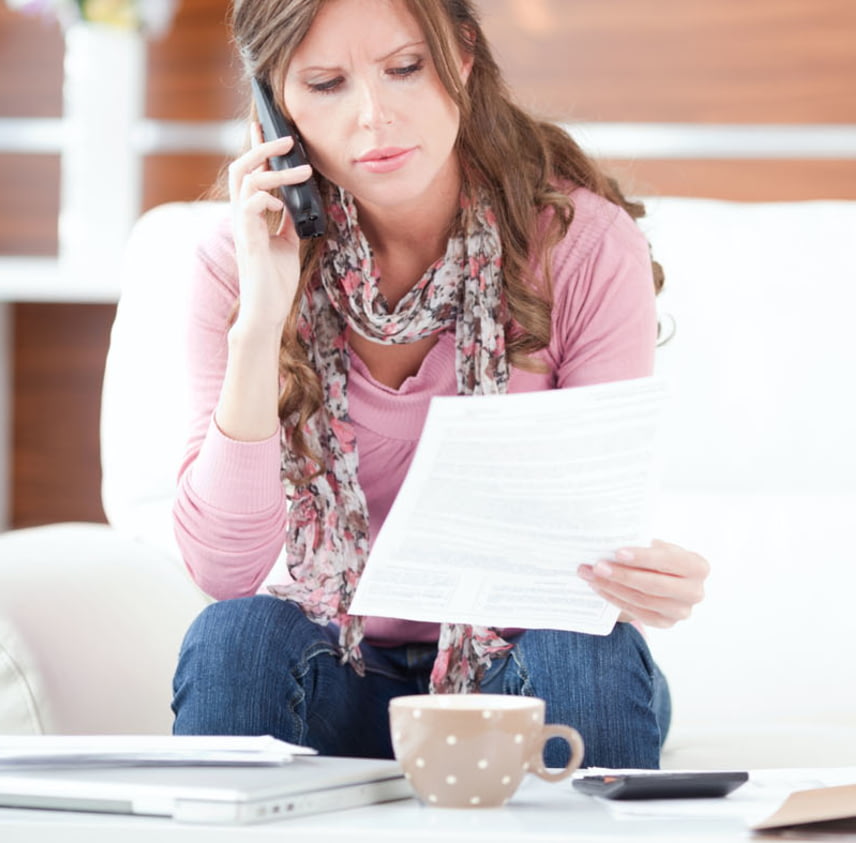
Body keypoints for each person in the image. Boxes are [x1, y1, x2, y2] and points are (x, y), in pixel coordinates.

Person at [169, 0, 709, 769]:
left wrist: (639, 579)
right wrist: (260, 320)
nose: (373, 116)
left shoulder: (585, 248)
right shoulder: (236, 261)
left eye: (404, 68)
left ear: (462, 56)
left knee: (586, 653)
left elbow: (585, 537)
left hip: (518, 669)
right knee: (233, 641)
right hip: (340, 667)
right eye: (325, 84)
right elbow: (223, 572)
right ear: (273, 110)